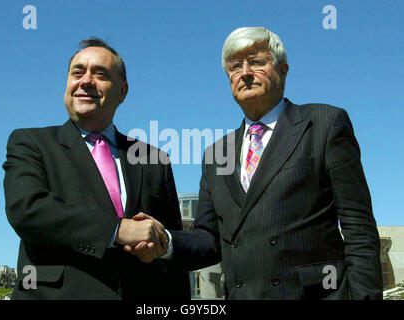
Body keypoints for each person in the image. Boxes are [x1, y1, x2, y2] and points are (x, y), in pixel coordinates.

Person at [129, 27, 383, 299]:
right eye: (235, 66)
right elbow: (209, 240)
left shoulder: (323, 124)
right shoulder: (216, 154)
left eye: (257, 62)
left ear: (283, 70)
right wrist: (165, 241)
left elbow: (358, 227)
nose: (245, 73)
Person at [2, 38, 190, 300]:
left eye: (99, 73)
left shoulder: (153, 159)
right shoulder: (31, 143)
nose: (86, 80)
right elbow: (27, 210)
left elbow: (170, 249)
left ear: (123, 91)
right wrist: (117, 230)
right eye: (77, 72)